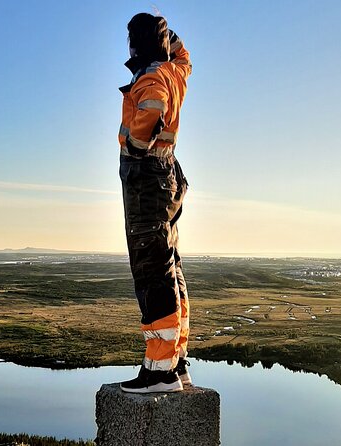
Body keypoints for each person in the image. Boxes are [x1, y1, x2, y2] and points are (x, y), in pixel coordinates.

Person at [118, 12, 192, 394]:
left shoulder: (151, 77)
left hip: (147, 176)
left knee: (151, 267)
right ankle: (175, 362)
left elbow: (151, 107)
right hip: (167, 174)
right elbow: (186, 59)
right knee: (168, 263)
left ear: (137, 43)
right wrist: (171, 39)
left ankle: (160, 371)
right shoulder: (173, 70)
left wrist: (135, 143)